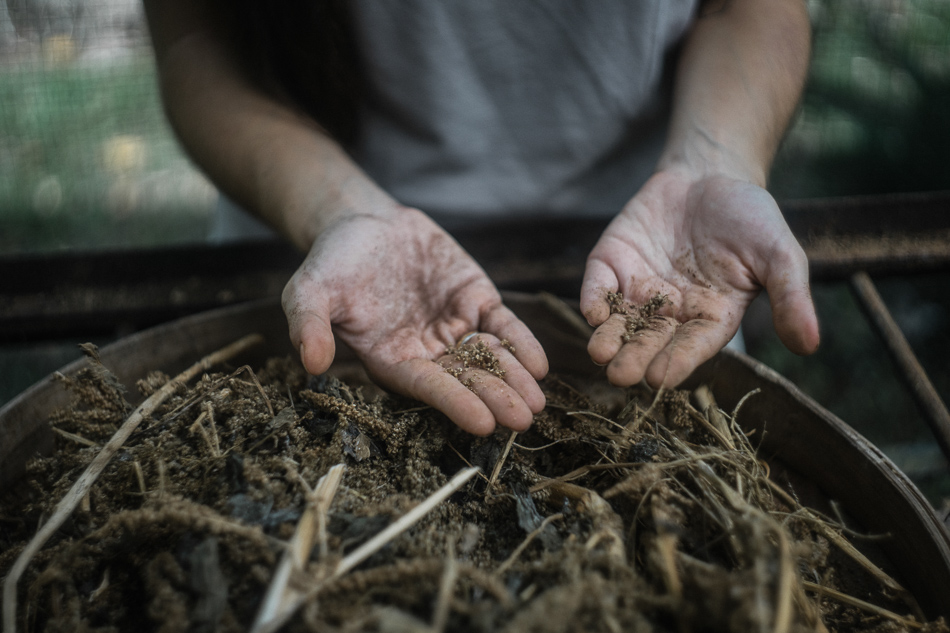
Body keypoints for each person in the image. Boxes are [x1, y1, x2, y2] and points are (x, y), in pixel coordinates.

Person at [143, 0, 820, 436]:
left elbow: (754, 9)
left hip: (649, 254)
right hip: (327, 245)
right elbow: (196, 42)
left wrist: (714, 162)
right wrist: (341, 210)